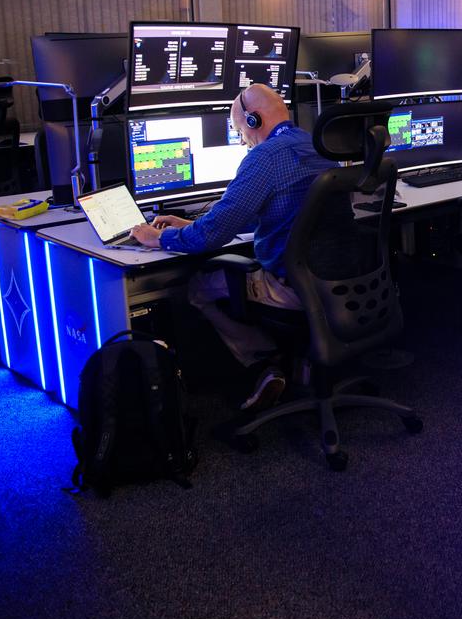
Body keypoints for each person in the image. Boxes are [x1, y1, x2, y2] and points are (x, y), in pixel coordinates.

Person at [130, 83, 331, 411]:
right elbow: (283, 212)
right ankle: (283, 360)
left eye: (240, 132)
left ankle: (263, 362)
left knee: (197, 287)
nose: (242, 142)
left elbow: (210, 238)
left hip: (290, 289)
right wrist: (189, 224)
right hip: (335, 284)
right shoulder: (316, 145)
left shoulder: (264, 158)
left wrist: (159, 237)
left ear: (253, 121)